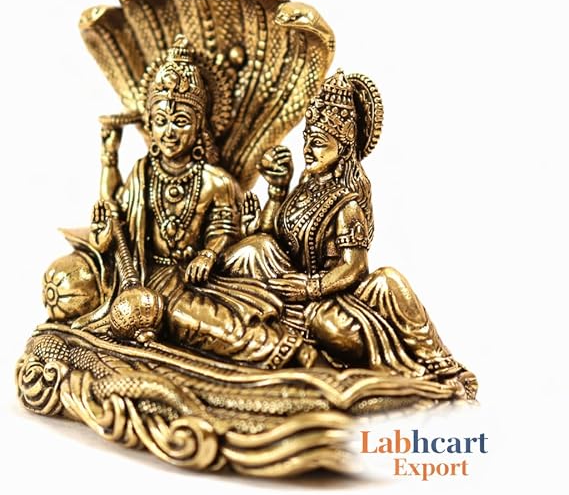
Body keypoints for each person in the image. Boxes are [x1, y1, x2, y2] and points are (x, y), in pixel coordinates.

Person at [42, 35, 304, 369]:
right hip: (155, 278)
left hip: (206, 274)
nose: (169, 131)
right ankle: (282, 354)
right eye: (161, 121)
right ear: (150, 125)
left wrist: (208, 254)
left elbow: (225, 230)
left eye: (180, 121)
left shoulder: (216, 181)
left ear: (199, 126)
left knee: (241, 287)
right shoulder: (141, 173)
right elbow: (116, 217)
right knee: (197, 323)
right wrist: (109, 159)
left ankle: (298, 344)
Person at [223, 69, 473, 382]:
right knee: (251, 252)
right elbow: (275, 240)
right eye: (306, 140)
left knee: (345, 316)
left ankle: (432, 365)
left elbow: (355, 267)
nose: (307, 150)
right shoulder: (306, 186)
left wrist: (311, 288)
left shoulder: (347, 204)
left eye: (318, 143)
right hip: (292, 286)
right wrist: (275, 193)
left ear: (342, 146)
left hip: (329, 295)